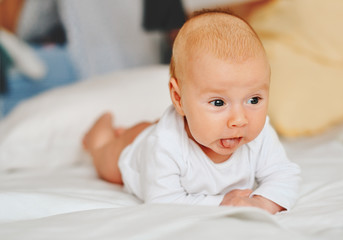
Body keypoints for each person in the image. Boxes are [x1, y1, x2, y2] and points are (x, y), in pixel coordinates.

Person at [83, 10, 301, 214]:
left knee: (154, 128)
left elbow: (284, 175)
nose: (239, 120)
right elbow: (163, 202)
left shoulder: (259, 135)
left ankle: (141, 128)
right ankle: (101, 134)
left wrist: (262, 203)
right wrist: (223, 203)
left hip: (174, 126)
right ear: (179, 99)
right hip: (138, 149)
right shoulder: (164, 146)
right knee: (107, 162)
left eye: (253, 99)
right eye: (218, 103)